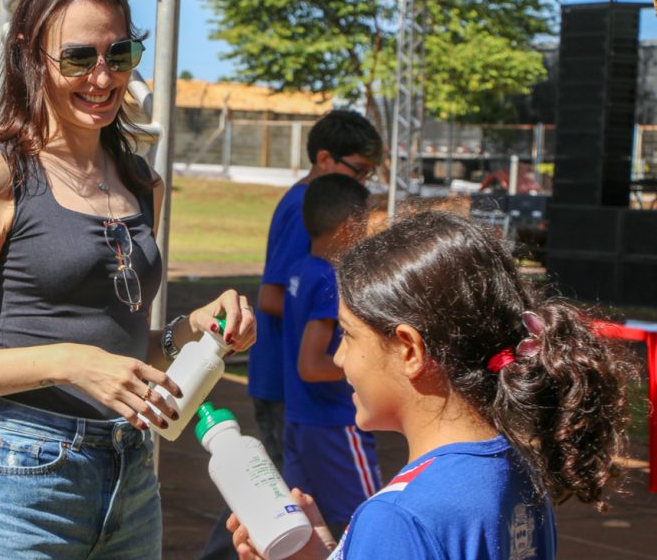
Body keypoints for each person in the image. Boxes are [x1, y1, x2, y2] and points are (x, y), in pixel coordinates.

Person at [0, 0, 255, 559]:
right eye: (78, 58)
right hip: (23, 479)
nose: (102, 78)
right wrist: (70, 362)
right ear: (28, 54)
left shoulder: (143, 183)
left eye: (119, 55)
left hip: (132, 477)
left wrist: (189, 332)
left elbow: (119, 351)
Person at [229, 210, 632, 560]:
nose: (337, 356)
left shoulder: (399, 516)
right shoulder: (518, 471)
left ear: (409, 350)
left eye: (348, 335)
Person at [201, 110, 383, 560]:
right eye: (359, 170)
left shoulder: (308, 211)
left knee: (282, 493)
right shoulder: (308, 214)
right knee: (268, 492)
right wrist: (346, 329)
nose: (366, 182)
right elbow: (270, 296)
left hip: (292, 388)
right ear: (324, 159)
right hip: (293, 388)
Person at [281, 174, 379, 540]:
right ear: (350, 227)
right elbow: (311, 365)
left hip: (301, 420)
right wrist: (370, 367)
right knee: (371, 516)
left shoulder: (301, 270)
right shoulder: (330, 279)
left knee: (299, 525)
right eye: (366, 223)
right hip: (334, 424)